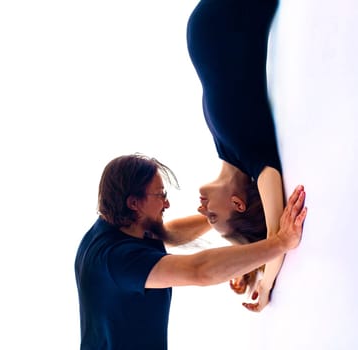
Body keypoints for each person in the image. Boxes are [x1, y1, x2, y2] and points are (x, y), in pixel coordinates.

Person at [74, 153, 307, 350]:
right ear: (134, 203)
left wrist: (217, 215)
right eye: (161, 195)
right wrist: (281, 242)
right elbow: (199, 270)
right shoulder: (115, 260)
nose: (166, 204)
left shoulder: (116, 226)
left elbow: (167, 233)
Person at [186, 0, 285, 311]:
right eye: (213, 216)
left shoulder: (227, 149)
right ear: (238, 203)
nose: (203, 213)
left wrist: (245, 266)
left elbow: (169, 235)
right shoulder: (254, 155)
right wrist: (264, 283)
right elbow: (274, 235)